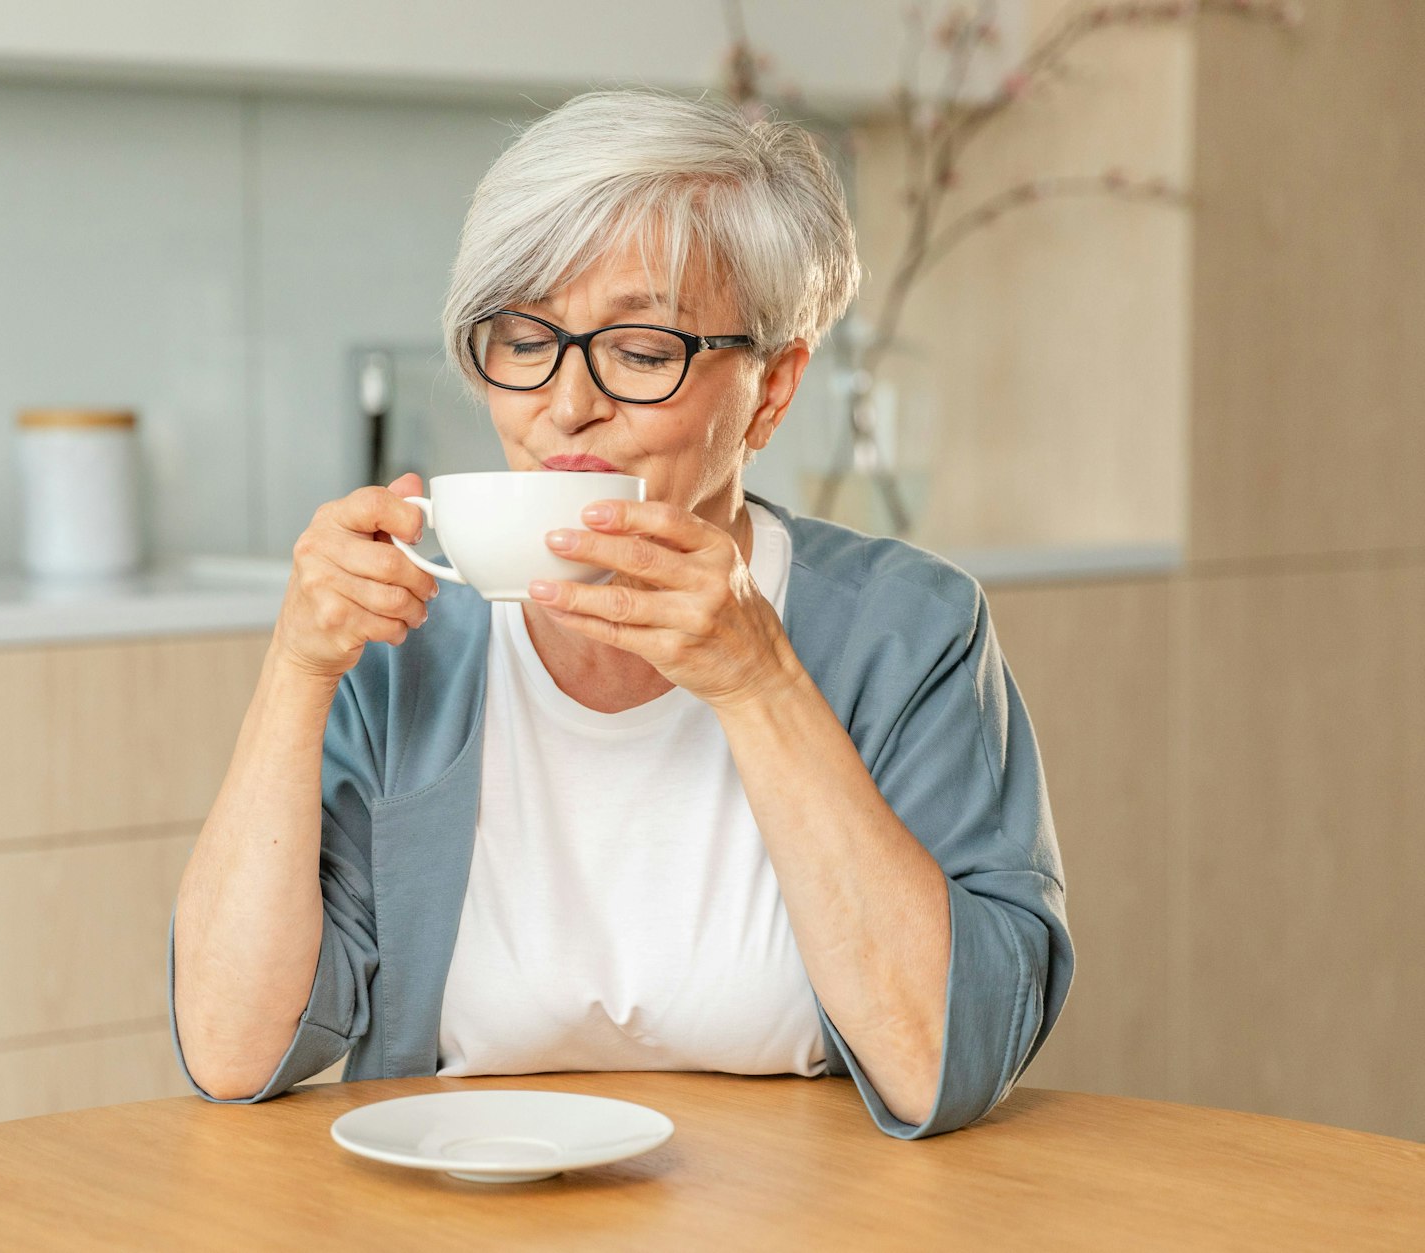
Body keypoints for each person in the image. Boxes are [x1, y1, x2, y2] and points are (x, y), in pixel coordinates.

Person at [167, 89, 1071, 1139]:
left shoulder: (907, 628)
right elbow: (232, 1052)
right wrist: (296, 668)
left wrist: (756, 680)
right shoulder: (408, 633)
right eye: (522, 339)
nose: (564, 404)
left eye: (640, 352)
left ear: (772, 390)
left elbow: (942, 1062)